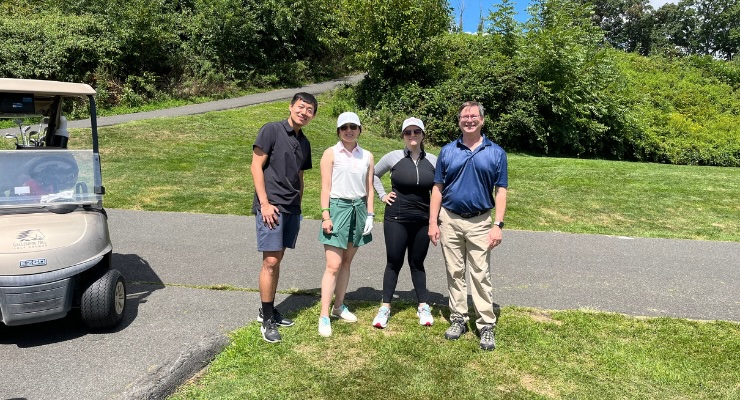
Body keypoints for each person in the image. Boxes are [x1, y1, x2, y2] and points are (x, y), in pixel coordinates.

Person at [428, 101, 508, 351]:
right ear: (459, 121)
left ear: (482, 120)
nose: (469, 120)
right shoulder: (447, 151)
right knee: (455, 272)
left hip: (480, 221)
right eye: (465, 116)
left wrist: (498, 224)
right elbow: (437, 188)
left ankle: (486, 324)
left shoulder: (496, 152)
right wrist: (433, 222)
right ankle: (458, 318)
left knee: (480, 274)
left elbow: (501, 190)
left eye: (474, 116)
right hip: (450, 219)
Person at [250, 92, 318, 343]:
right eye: (301, 107)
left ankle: (268, 310)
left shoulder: (305, 143)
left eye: (309, 110)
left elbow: (300, 176)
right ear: (290, 107)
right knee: (270, 261)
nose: (304, 112)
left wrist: (298, 205)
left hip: (291, 209)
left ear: (313, 116)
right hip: (271, 207)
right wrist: (265, 204)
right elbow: (256, 166)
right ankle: (266, 319)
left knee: (276, 260)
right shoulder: (272, 130)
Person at [371, 117, 437, 329]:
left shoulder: (433, 160)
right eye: (408, 132)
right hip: (396, 218)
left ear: (423, 134)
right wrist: (382, 195)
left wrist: (436, 219)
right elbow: (372, 174)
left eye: (416, 131)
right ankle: (385, 307)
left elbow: (440, 189)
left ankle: (423, 306)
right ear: (403, 135)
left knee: (417, 263)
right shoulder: (394, 157)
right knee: (394, 261)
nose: (412, 135)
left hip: (423, 220)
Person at [318, 111, 375, 337]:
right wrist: (326, 216)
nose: (349, 131)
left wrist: (370, 215)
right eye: (344, 127)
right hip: (337, 208)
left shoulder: (367, 155)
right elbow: (325, 187)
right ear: (338, 131)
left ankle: (339, 305)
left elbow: (369, 188)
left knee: (346, 262)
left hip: (358, 209)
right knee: (333, 264)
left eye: (353, 126)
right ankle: (324, 315)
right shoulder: (330, 153)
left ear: (360, 129)